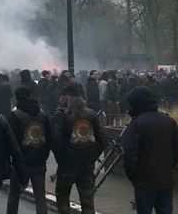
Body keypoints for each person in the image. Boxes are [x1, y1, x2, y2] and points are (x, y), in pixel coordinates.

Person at [122, 86, 178, 214]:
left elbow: (129, 154)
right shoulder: (169, 121)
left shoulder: (136, 124)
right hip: (165, 179)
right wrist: (167, 164)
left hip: (144, 180)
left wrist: (132, 175)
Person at [51, 84, 107, 214]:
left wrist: (62, 158)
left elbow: (56, 140)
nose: (60, 100)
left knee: (63, 199)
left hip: (67, 165)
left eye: (62, 97)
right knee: (87, 202)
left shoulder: (60, 115)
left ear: (66, 97)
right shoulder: (91, 114)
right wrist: (92, 155)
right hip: (87, 165)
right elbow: (103, 139)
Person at [7, 86, 51, 214]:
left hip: (19, 163)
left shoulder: (14, 116)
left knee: (14, 195)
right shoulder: (42, 114)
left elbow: (10, 141)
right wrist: (44, 155)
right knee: (40, 196)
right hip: (39, 160)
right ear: (30, 95)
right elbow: (49, 137)